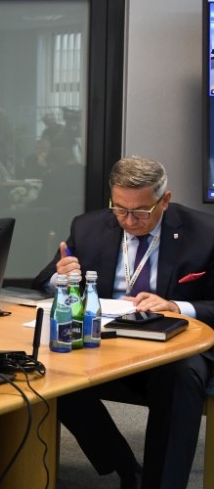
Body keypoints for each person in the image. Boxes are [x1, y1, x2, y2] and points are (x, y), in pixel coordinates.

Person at [32, 156, 214, 489]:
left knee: (181, 376)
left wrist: (175, 306)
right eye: (120, 209)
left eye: (141, 212)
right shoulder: (88, 227)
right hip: (103, 341)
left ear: (165, 200)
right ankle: (125, 467)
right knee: (45, 369)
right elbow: (45, 279)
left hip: (175, 346)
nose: (129, 221)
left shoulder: (204, 232)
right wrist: (63, 278)